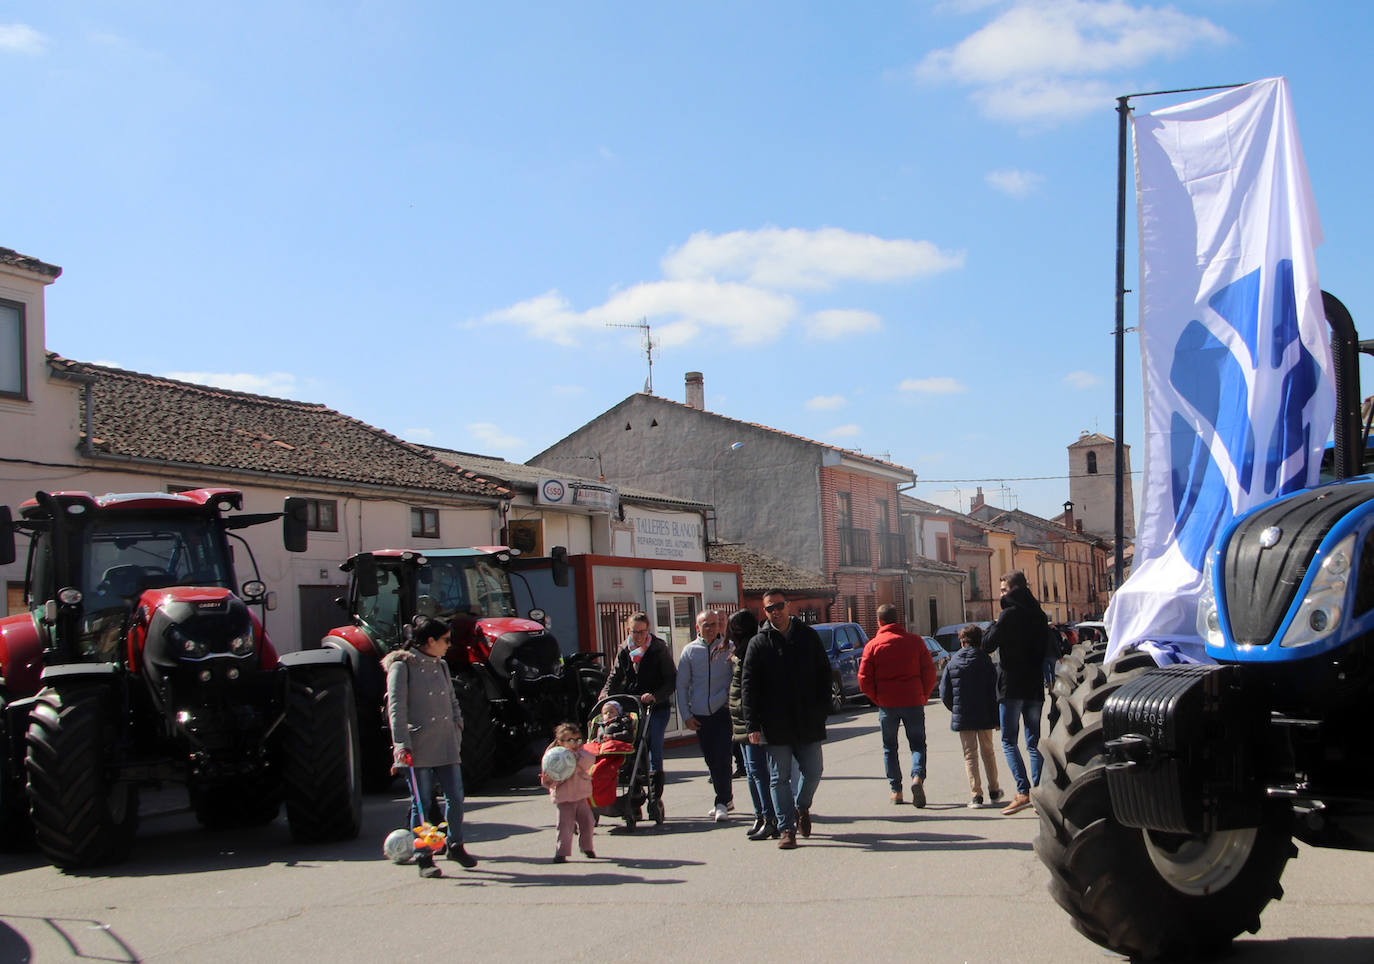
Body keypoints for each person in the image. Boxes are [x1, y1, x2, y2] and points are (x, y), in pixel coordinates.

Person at [383, 614, 477, 877]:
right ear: (430, 640)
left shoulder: (442, 666)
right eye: (446, 640)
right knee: (422, 803)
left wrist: (458, 723)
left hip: (446, 742)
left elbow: (451, 698)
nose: (449, 644)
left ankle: (455, 844)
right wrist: (401, 744)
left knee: (456, 797)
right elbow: (396, 709)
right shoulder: (402, 666)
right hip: (418, 745)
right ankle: (424, 855)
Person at [741, 589, 830, 850]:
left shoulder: (808, 637)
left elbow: (824, 675)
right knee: (778, 778)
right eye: (770, 608)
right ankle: (786, 829)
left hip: (807, 720)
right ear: (764, 612)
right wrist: (752, 724)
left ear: (789, 606)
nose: (775, 611)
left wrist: (822, 710)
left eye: (779, 606)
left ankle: (801, 807)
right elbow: (749, 686)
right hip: (774, 723)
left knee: (814, 771)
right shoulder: (759, 643)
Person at [857, 603, 938, 808]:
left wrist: (877, 698)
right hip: (913, 700)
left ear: (879, 621)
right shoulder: (915, 642)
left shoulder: (873, 646)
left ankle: (896, 790)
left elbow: (864, 679)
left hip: (887, 704)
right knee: (918, 744)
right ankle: (917, 777)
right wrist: (924, 695)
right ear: (898, 619)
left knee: (889, 747)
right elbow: (929, 672)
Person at [983, 569, 1049, 815]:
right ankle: (1040, 792)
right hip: (1034, 685)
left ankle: (1023, 792)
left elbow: (988, 644)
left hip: (1010, 685)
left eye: (1003, 590)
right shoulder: (1039, 615)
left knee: (1009, 741)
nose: (1001, 593)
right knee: (1034, 743)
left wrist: (993, 625)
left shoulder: (1007, 615)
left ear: (1012, 589)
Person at [601, 611, 676, 813]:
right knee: (630, 749)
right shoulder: (624, 650)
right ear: (629, 630)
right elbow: (614, 676)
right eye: (634, 632)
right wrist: (605, 695)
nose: (638, 636)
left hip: (655, 708)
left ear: (648, 630)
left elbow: (671, 680)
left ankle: (654, 797)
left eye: (642, 632)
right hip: (632, 707)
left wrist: (655, 695)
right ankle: (634, 794)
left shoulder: (658, 649)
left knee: (653, 748)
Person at [677, 610, 735, 822]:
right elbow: (682, 685)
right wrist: (686, 714)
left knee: (722, 756)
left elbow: (735, 678)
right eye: (706, 624)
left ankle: (722, 801)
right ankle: (726, 798)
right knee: (711, 759)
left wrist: (727, 699)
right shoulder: (689, 651)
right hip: (700, 714)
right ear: (697, 627)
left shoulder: (728, 648)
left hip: (722, 712)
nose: (710, 628)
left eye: (714, 623)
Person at [727, 609, 779, 840]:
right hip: (741, 719)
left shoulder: (750, 648)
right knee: (751, 771)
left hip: (750, 719)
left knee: (758, 771)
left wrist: (752, 722)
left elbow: (750, 688)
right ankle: (761, 815)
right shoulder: (740, 649)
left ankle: (770, 817)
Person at [940, 623, 1003, 808]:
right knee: (988, 752)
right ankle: (994, 790)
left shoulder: (952, 662)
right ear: (980, 641)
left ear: (962, 642)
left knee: (970, 755)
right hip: (984, 714)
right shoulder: (986, 661)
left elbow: (945, 693)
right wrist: (997, 717)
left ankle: (976, 795)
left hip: (964, 714)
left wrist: (955, 708)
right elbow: (994, 692)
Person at [539, 722, 596, 863]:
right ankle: (561, 852)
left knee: (588, 822)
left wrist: (577, 759)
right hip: (564, 799)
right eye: (570, 740)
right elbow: (549, 778)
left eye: (578, 740)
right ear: (560, 741)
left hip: (581, 796)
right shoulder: (553, 756)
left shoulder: (582, 753)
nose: (575, 744)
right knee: (564, 827)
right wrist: (548, 780)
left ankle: (586, 847)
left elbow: (590, 760)